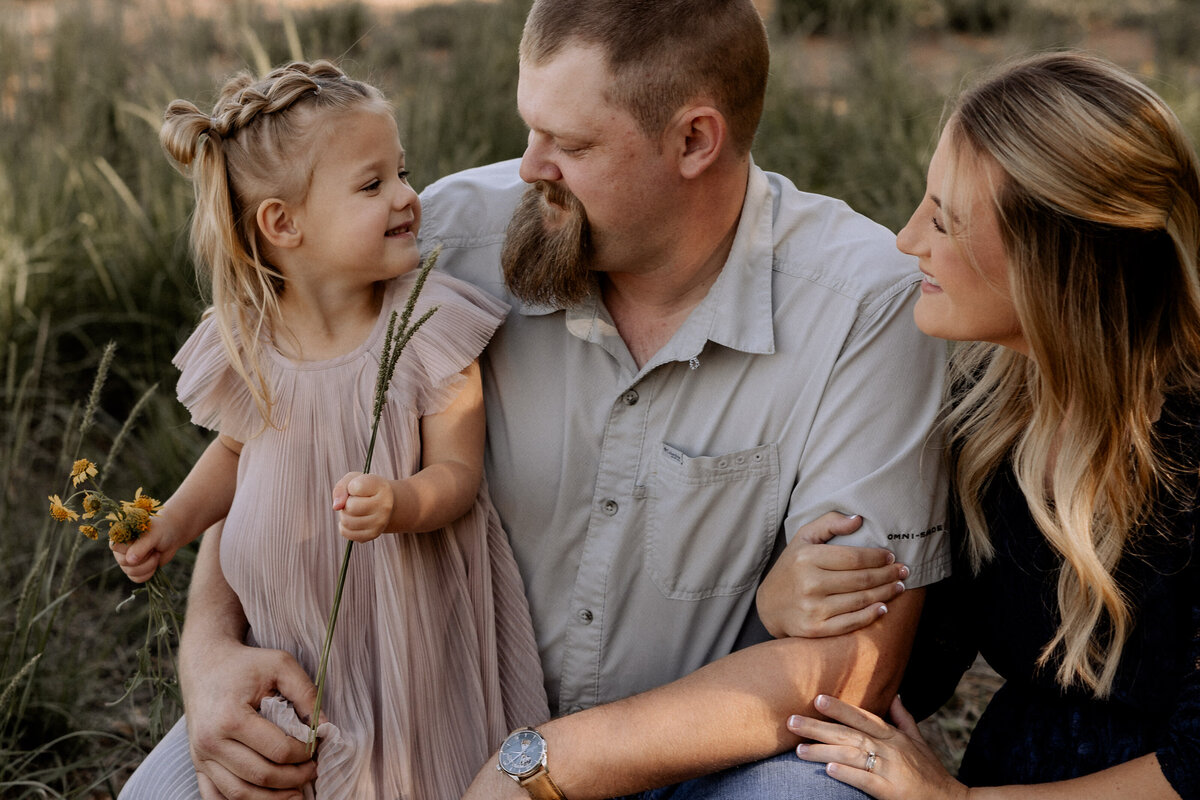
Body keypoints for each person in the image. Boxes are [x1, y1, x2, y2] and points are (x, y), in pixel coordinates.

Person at [156, 1, 952, 798]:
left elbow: (859, 661)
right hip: (406, 714)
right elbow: (280, 430)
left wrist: (542, 763)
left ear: (694, 140)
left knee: (816, 793)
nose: (529, 167)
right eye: (531, 128)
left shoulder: (862, 302)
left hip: (693, 764)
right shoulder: (442, 239)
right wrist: (210, 651)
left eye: (570, 144)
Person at [115, 60, 549, 799]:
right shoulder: (249, 337)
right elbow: (233, 451)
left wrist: (400, 502)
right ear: (284, 224)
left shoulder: (426, 323)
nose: (411, 197)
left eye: (403, 172)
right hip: (286, 629)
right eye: (374, 184)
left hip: (402, 633)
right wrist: (173, 524)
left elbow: (457, 473)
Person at [777, 51, 1200, 800]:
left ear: (1053, 261)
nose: (907, 240)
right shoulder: (987, 410)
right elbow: (926, 665)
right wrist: (784, 604)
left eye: (942, 220)